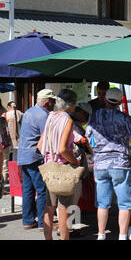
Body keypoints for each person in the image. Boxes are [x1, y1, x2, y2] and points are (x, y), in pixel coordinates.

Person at [85, 88, 131, 240]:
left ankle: (101, 234)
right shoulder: (124, 118)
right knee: (124, 203)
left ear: (105, 99)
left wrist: (95, 152)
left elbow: (87, 138)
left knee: (102, 203)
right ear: (119, 102)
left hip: (100, 164)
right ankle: (123, 236)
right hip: (120, 163)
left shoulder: (94, 116)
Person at [37, 89, 82, 240]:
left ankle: (48, 238)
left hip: (49, 168)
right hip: (63, 169)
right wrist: (74, 161)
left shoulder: (50, 117)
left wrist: (50, 156)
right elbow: (63, 149)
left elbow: (40, 145)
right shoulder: (67, 120)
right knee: (64, 210)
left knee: (49, 209)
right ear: (70, 104)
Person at [17, 89, 57, 231]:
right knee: (42, 190)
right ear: (47, 102)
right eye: (53, 101)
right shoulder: (44, 115)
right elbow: (47, 138)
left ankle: (28, 221)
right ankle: (42, 222)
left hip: (24, 155)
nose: (54, 103)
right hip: (35, 156)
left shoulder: (29, 111)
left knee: (27, 189)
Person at [0, 100, 12, 194]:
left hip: (3, 144)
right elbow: (7, 132)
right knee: (4, 166)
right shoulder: (3, 120)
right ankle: (2, 186)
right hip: (4, 145)